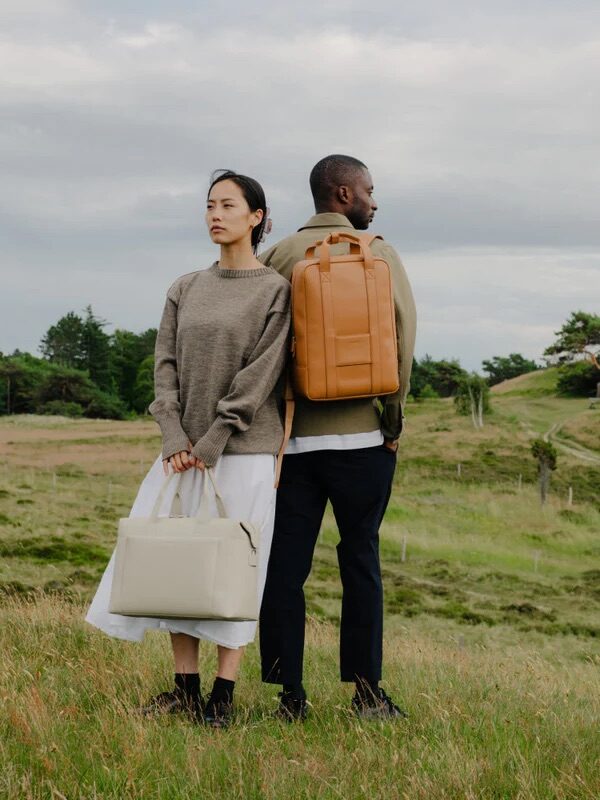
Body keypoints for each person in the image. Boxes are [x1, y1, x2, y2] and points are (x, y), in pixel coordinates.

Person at [86, 170, 291, 728]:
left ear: (257, 218)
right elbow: (165, 366)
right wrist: (174, 435)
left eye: (228, 205)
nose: (215, 215)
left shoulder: (274, 290)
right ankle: (184, 687)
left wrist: (216, 438)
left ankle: (222, 699)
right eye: (209, 206)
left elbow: (261, 374)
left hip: (244, 452)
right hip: (180, 453)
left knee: (235, 571)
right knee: (177, 561)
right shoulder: (184, 287)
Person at [258, 154, 417, 720]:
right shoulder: (381, 254)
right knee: (361, 561)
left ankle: (290, 696)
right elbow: (403, 339)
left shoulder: (276, 256)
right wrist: (390, 423)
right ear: (344, 194)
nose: (375, 200)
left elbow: (260, 350)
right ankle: (368, 694)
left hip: (293, 445)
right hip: (363, 444)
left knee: (285, 569)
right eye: (370, 190)